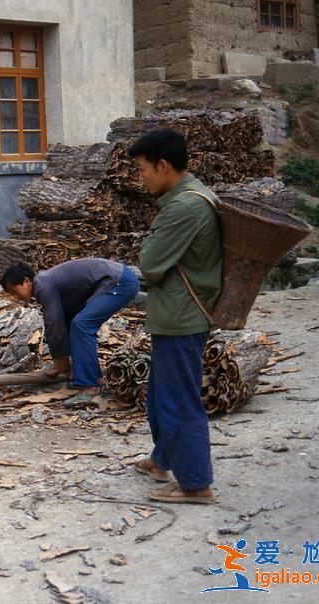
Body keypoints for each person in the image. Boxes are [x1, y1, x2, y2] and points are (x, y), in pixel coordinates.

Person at [128, 128, 222, 505]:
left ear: (163, 166)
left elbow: (149, 264)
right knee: (160, 396)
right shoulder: (191, 194)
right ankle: (161, 459)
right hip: (177, 314)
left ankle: (196, 483)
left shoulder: (186, 207)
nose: (141, 177)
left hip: (182, 317)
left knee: (179, 401)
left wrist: (148, 249)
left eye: (142, 169)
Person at [1, 258, 139, 400]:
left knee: (81, 325)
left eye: (14, 290)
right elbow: (62, 320)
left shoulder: (42, 284)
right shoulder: (44, 281)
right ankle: (96, 379)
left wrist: (58, 362)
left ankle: (90, 387)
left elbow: (53, 323)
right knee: (76, 322)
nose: (15, 297)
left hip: (118, 281)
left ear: (26, 281)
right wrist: (63, 362)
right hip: (117, 279)